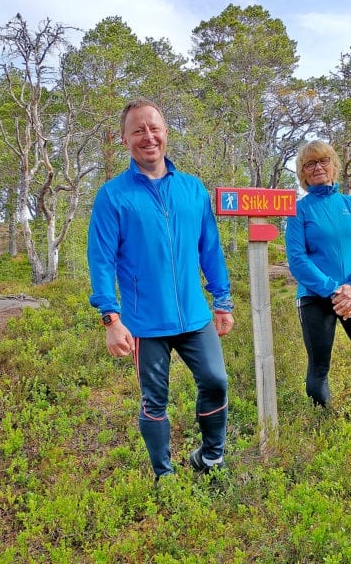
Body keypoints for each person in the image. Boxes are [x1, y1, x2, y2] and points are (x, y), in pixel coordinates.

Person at [87, 98, 235, 480]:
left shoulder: (192, 189)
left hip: (195, 315)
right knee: (155, 401)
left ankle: (211, 459)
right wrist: (110, 318)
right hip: (144, 322)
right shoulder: (113, 195)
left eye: (154, 128)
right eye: (138, 130)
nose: (148, 137)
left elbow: (210, 248)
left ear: (166, 133)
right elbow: (101, 259)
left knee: (216, 382)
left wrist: (222, 299)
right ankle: (163, 476)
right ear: (124, 139)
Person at [284, 139, 351, 425]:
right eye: (310, 164)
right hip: (315, 296)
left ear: (333, 165)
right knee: (319, 367)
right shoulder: (298, 210)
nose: (318, 167)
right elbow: (297, 259)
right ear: (303, 173)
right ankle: (325, 427)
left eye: (323, 161)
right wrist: (334, 289)